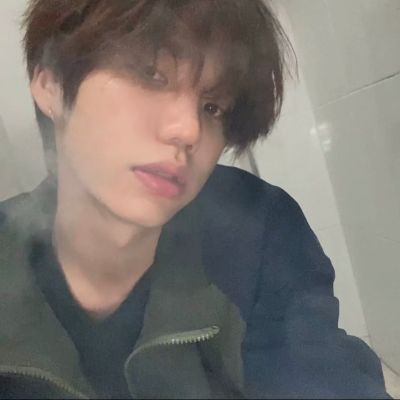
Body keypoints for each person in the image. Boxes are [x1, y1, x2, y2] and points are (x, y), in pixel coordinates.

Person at [0, 0, 390, 398]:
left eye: (213, 107)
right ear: (50, 83)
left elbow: (319, 368)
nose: (189, 130)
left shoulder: (256, 227)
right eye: (151, 76)